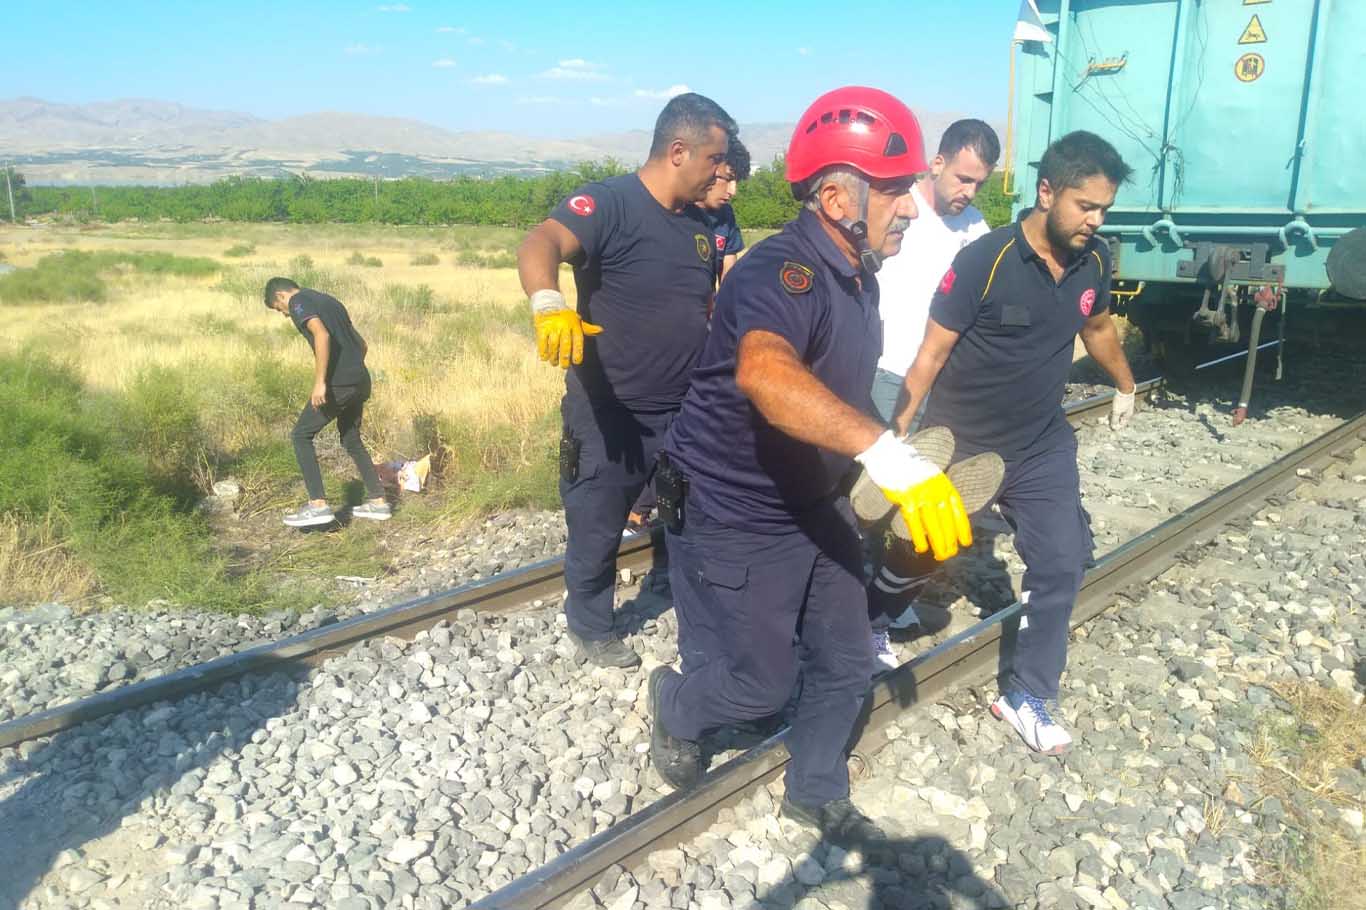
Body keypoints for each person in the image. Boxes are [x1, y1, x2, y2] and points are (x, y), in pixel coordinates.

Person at [647, 87, 975, 846]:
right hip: (733, 510)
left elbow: (840, 384)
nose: (913, 209)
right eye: (895, 192)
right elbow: (767, 375)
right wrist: (887, 456)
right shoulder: (780, 274)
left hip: (809, 501)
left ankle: (816, 788)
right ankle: (676, 704)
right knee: (762, 683)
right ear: (836, 196)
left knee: (845, 655)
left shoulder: (856, 270)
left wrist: (881, 453)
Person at [893, 130, 1137, 754]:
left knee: (1061, 561)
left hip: (1040, 442)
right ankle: (875, 615)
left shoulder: (1094, 260)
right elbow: (932, 350)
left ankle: (1028, 693)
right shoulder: (986, 260)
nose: (1095, 219)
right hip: (967, 440)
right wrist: (901, 428)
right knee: (920, 550)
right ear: (1047, 191)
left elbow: (1100, 325)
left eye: (1104, 208)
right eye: (1086, 206)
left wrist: (1124, 384)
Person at [516, 93, 736, 668]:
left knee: (689, 513)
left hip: (684, 406)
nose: (721, 173)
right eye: (715, 160)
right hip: (611, 410)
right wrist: (547, 302)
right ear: (678, 150)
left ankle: (680, 590)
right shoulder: (609, 203)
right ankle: (590, 623)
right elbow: (541, 242)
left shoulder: (699, 224)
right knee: (598, 519)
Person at [865, 119, 999, 667]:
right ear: (937, 163)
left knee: (918, 503)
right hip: (885, 375)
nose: (968, 192)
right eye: (963, 178)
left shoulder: (976, 227)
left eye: (980, 184)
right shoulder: (901, 212)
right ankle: (862, 620)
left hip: (939, 383)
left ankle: (890, 602)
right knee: (871, 502)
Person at [623, 138, 753, 536]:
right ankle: (636, 507)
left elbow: (728, 276)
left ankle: (668, 507)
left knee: (693, 426)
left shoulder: (724, 219)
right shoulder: (673, 213)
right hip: (662, 347)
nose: (731, 191)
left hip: (706, 339)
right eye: (727, 180)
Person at [264, 277, 391, 527]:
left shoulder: (299, 301)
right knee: (351, 439)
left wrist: (321, 382)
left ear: (280, 297)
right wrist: (352, 370)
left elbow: (321, 335)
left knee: (301, 435)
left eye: (280, 310)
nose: (284, 315)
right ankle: (379, 502)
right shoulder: (328, 300)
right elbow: (361, 344)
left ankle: (318, 505)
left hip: (338, 384)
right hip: (360, 380)